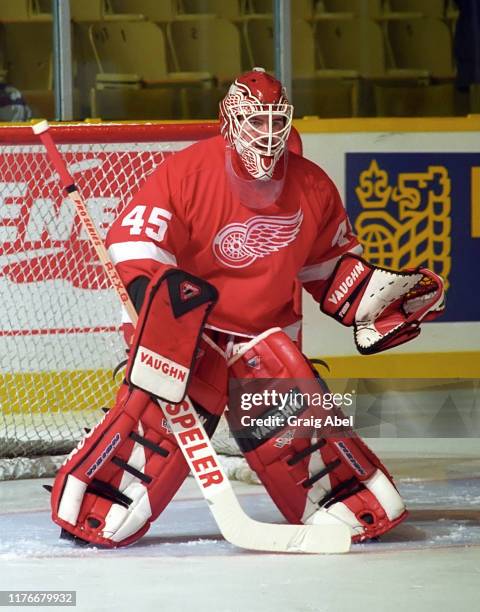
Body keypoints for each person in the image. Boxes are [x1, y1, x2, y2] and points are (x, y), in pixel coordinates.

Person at [48, 68, 444, 548]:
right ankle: (95, 492)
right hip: (193, 342)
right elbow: (135, 246)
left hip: (265, 343)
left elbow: (328, 269)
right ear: (230, 121)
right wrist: (163, 312)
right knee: (133, 466)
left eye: (276, 121)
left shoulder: (312, 185)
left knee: (346, 488)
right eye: (256, 121)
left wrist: (373, 302)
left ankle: (344, 499)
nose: (268, 134)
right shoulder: (187, 172)